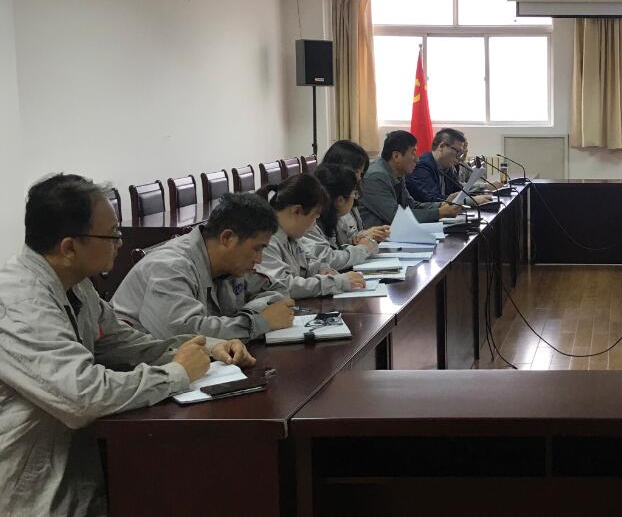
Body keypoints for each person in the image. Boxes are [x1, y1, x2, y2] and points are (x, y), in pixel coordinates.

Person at [0, 174, 256, 517]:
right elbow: (82, 396)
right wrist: (176, 373)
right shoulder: (20, 305)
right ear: (69, 247)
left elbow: (124, 344)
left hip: (76, 474)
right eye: (112, 234)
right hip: (27, 496)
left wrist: (205, 347)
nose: (120, 242)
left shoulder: (76, 285)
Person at [113, 192, 296, 340]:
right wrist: (258, 322)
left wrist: (249, 314)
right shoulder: (171, 266)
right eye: (257, 249)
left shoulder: (232, 264)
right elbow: (182, 333)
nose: (259, 259)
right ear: (227, 238)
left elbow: (277, 290)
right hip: (138, 366)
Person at [251, 174, 367, 299]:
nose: (314, 224)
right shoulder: (265, 240)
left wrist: (322, 269)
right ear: (296, 211)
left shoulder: (291, 235)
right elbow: (283, 286)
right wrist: (337, 282)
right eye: (314, 217)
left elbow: (307, 262)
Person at [359, 130, 461, 226]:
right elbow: (395, 216)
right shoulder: (375, 177)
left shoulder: (398, 173)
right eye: (413, 153)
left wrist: (443, 204)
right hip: (377, 237)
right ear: (396, 156)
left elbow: (410, 205)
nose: (417, 160)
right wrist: (440, 212)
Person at [302, 164, 380, 271]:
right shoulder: (309, 222)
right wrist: (363, 249)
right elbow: (328, 260)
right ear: (340, 200)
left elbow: (344, 245)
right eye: (354, 193)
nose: (356, 198)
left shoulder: (336, 216)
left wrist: (361, 240)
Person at [321, 139, 390, 245]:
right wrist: (363, 241)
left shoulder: (351, 193)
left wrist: (367, 234)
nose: (359, 178)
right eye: (356, 171)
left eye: (361, 173)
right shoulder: (325, 205)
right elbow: (334, 248)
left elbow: (350, 237)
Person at [405, 128, 492, 206]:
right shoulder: (421, 166)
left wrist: (481, 194)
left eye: (461, 153)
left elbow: (459, 191)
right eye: (457, 151)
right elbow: (432, 198)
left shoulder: (447, 165)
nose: (459, 157)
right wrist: (469, 201)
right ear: (442, 146)